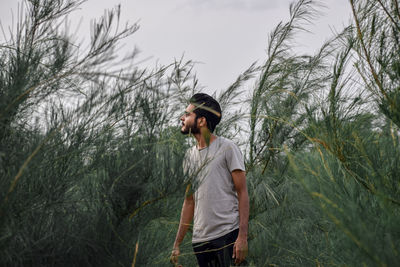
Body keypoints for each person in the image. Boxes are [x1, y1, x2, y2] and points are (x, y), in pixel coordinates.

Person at [171, 93, 249, 266]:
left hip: (227, 236)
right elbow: (189, 201)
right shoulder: (189, 157)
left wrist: (242, 237)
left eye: (188, 114)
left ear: (201, 121)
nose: (182, 118)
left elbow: (243, 193)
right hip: (200, 241)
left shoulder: (227, 148)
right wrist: (177, 243)